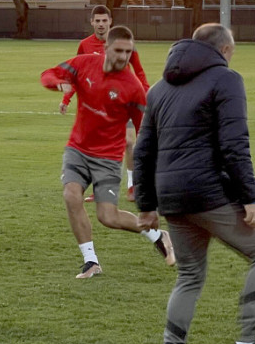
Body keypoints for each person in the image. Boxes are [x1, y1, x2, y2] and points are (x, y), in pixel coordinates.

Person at [134, 23, 255, 344]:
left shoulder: (158, 89)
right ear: (225, 50)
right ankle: (249, 341)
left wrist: (146, 205)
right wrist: (250, 199)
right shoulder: (227, 79)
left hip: (171, 197)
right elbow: (235, 144)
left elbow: (143, 152)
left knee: (189, 275)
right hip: (208, 193)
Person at [41, 25, 174, 278]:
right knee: (71, 195)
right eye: (118, 50)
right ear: (106, 48)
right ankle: (91, 262)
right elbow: (48, 74)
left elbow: (145, 132)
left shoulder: (133, 88)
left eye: (128, 52)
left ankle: (158, 235)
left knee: (108, 217)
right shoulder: (84, 63)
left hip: (108, 158)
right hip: (78, 148)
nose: (123, 57)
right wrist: (58, 85)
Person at [60, 5, 149, 203]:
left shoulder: (124, 43)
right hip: (96, 107)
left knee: (129, 141)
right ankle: (99, 187)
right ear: (92, 22)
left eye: (104, 20)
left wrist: (144, 93)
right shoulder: (85, 45)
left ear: (110, 21)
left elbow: (139, 71)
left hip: (122, 101)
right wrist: (66, 98)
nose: (101, 24)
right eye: (97, 21)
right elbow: (77, 75)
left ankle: (132, 185)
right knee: (96, 146)